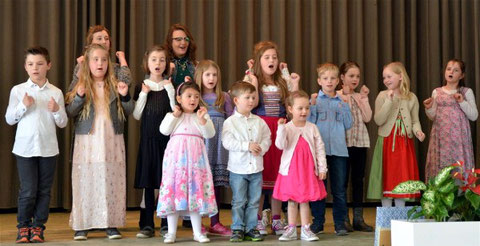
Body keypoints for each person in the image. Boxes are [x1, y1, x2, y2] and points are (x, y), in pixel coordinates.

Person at [65, 44, 134, 240]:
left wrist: (125, 95)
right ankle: (82, 224)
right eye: (95, 59)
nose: (100, 63)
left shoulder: (115, 83)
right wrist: (79, 97)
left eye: (104, 60)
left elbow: (130, 111)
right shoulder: (79, 83)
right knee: (85, 181)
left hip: (112, 140)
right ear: (87, 63)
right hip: (87, 142)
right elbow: (69, 112)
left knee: (111, 180)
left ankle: (110, 224)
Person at [6, 46, 68, 243]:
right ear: (25, 67)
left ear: (48, 65)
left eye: (40, 64)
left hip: (48, 149)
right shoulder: (18, 90)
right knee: (28, 190)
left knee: (43, 191)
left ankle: (38, 227)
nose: (35, 68)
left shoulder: (56, 92)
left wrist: (57, 109)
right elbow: (9, 119)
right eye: (31, 64)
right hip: (24, 149)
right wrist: (24, 105)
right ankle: (23, 227)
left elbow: (63, 122)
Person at [243, 41, 300, 235]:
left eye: (274, 57)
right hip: (261, 130)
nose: (271, 60)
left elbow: (291, 103)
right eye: (266, 57)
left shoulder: (281, 82)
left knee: (278, 175)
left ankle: (276, 219)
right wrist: (253, 78)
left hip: (280, 129)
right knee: (259, 175)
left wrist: (288, 77)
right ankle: (257, 219)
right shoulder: (253, 80)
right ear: (259, 61)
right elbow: (253, 103)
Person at [157, 82, 217, 244]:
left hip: (196, 163)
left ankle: (197, 232)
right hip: (176, 164)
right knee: (174, 194)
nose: (193, 99)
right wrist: (175, 116)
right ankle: (171, 233)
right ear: (179, 98)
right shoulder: (174, 115)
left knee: (195, 195)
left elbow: (210, 134)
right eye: (189, 96)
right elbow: (164, 130)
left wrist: (203, 120)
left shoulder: (202, 116)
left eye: (196, 96)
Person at [367, 62, 425, 207]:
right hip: (387, 142)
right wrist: (388, 101)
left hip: (404, 144)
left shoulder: (411, 98)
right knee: (387, 178)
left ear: (400, 76)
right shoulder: (382, 96)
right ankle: (386, 219)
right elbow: (378, 120)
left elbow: (415, 121)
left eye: (389, 76)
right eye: (384, 78)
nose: (386, 80)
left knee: (401, 179)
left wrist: (418, 131)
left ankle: (400, 217)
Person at [272, 91, 327, 242]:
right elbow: (280, 145)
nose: (304, 112)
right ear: (290, 109)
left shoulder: (312, 128)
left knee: (304, 201)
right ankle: (291, 229)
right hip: (291, 171)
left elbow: (320, 148)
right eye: (300, 108)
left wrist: (322, 168)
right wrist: (281, 129)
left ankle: (305, 229)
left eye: (307, 108)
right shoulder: (287, 127)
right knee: (291, 200)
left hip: (307, 171)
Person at [132, 45, 175, 238]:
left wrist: (171, 91)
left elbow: (176, 112)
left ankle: (166, 222)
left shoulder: (169, 85)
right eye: (154, 59)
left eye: (162, 60)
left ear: (166, 64)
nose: (158, 63)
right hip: (148, 142)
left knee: (166, 183)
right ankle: (147, 223)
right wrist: (143, 93)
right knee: (149, 183)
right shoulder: (142, 85)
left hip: (166, 142)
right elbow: (136, 115)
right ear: (147, 63)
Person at [222, 81, 272, 242]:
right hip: (238, 170)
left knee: (254, 200)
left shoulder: (259, 121)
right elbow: (227, 142)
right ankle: (237, 228)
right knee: (239, 200)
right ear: (236, 100)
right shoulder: (230, 122)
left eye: (253, 97)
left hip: (256, 168)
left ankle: (251, 228)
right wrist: (247, 146)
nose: (251, 100)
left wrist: (261, 148)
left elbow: (267, 138)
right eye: (247, 97)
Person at [308, 63, 352, 236]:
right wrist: (311, 106)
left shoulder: (342, 101)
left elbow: (349, 124)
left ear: (338, 81)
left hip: (339, 151)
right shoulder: (315, 101)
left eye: (333, 78)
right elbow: (309, 125)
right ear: (319, 81)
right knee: (319, 189)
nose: (329, 81)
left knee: (340, 189)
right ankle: (317, 222)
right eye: (325, 78)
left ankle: (340, 223)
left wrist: (345, 107)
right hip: (320, 153)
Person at [195, 60, 233, 236]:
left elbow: (232, 118)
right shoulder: (196, 97)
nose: (211, 78)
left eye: (214, 74)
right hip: (202, 144)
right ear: (200, 76)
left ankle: (215, 222)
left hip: (219, 146)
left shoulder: (224, 97)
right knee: (200, 183)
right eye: (207, 74)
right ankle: (198, 222)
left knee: (215, 183)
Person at [424, 59, 477, 181]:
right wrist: (429, 108)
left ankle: (460, 196)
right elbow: (432, 116)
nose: (451, 72)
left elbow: (474, 116)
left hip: (459, 140)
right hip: (440, 138)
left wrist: (462, 101)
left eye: (456, 70)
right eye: (449, 69)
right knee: (441, 170)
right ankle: (440, 196)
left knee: (458, 170)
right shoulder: (436, 92)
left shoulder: (466, 92)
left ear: (462, 75)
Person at [337, 61, 374, 232]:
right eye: (351, 76)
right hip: (342, 144)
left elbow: (367, 118)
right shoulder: (336, 95)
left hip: (359, 143)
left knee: (358, 180)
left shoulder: (360, 96)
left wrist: (364, 99)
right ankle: (343, 219)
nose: (355, 79)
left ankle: (358, 218)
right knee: (342, 182)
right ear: (342, 77)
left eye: (357, 76)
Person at [69, 25, 131, 91]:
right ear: (91, 43)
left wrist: (122, 60)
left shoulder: (115, 67)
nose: (104, 42)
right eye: (99, 38)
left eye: (106, 39)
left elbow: (126, 84)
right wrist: (82, 68)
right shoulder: (81, 65)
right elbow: (72, 92)